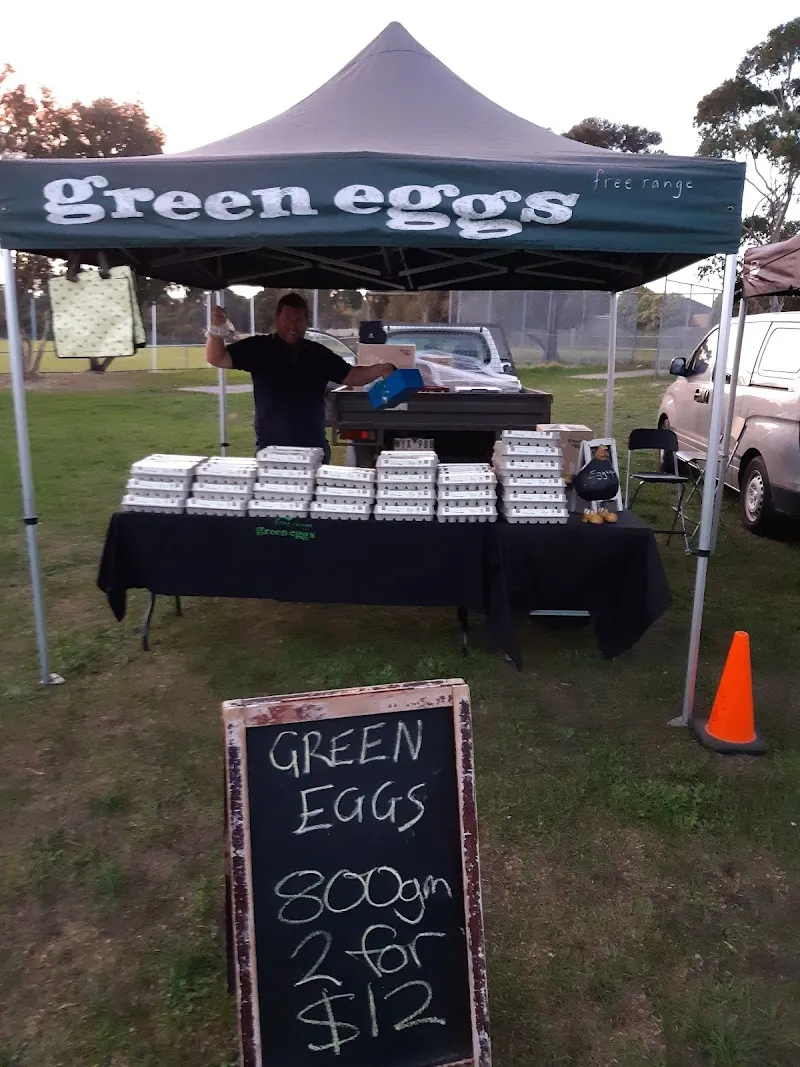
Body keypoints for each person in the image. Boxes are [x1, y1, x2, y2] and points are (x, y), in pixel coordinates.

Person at [205, 293, 395, 461]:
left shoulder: (318, 354)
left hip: (313, 449)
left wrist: (381, 369)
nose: (293, 326)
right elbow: (217, 357)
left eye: (298, 320)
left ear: (306, 322)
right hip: (271, 450)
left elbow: (352, 376)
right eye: (287, 319)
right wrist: (216, 331)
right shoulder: (259, 348)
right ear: (277, 319)